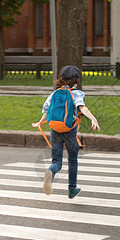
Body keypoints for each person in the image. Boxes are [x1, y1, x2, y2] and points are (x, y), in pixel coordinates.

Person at [32, 65, 100, 199]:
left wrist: (39, 122)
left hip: (55, 130)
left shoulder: (54, 94)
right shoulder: (77, 93)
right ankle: (72, 189)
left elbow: (46, 110)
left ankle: (51, 171)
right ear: (76, 80)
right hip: (70, 131)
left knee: (56, 161)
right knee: (73, 160)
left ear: (61, 79)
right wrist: (93, 119)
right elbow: (82, 108)